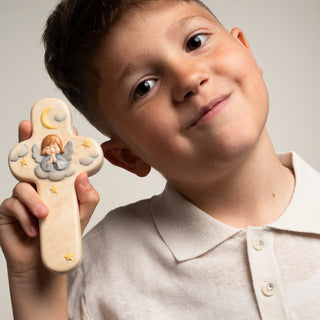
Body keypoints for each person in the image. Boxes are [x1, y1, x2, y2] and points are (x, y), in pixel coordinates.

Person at [1, 0, 320, 319]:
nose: (189, 78)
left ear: (246, 51)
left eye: (195, 42)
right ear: (128, 156)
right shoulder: (98, 271)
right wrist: (35, 290)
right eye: (144, 87)